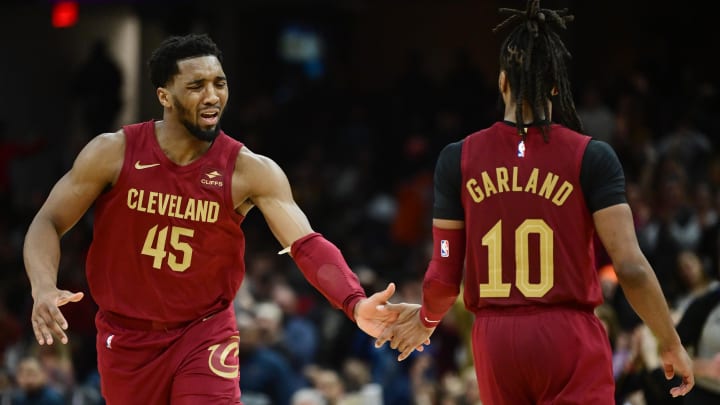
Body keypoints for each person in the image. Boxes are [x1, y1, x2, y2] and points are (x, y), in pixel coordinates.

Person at [23, 33, 418, 405]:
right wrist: (43, 287)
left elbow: (306, 244)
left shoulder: (249, 170)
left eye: (220, 83)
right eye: (197, 86)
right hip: (126, 337)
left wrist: (354, 301)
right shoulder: (113, 152)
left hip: (204, 332)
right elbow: (48, 222)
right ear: (165, 95)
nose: (212, 96)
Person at [375, 1, 695, 404]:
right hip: (566, 334)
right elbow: (630, 266)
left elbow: (442, 275)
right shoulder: (592, 156)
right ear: (557, 86)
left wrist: (428, 317)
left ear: (503, 82)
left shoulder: (457, 158)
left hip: (494, 342)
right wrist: (669, 340)